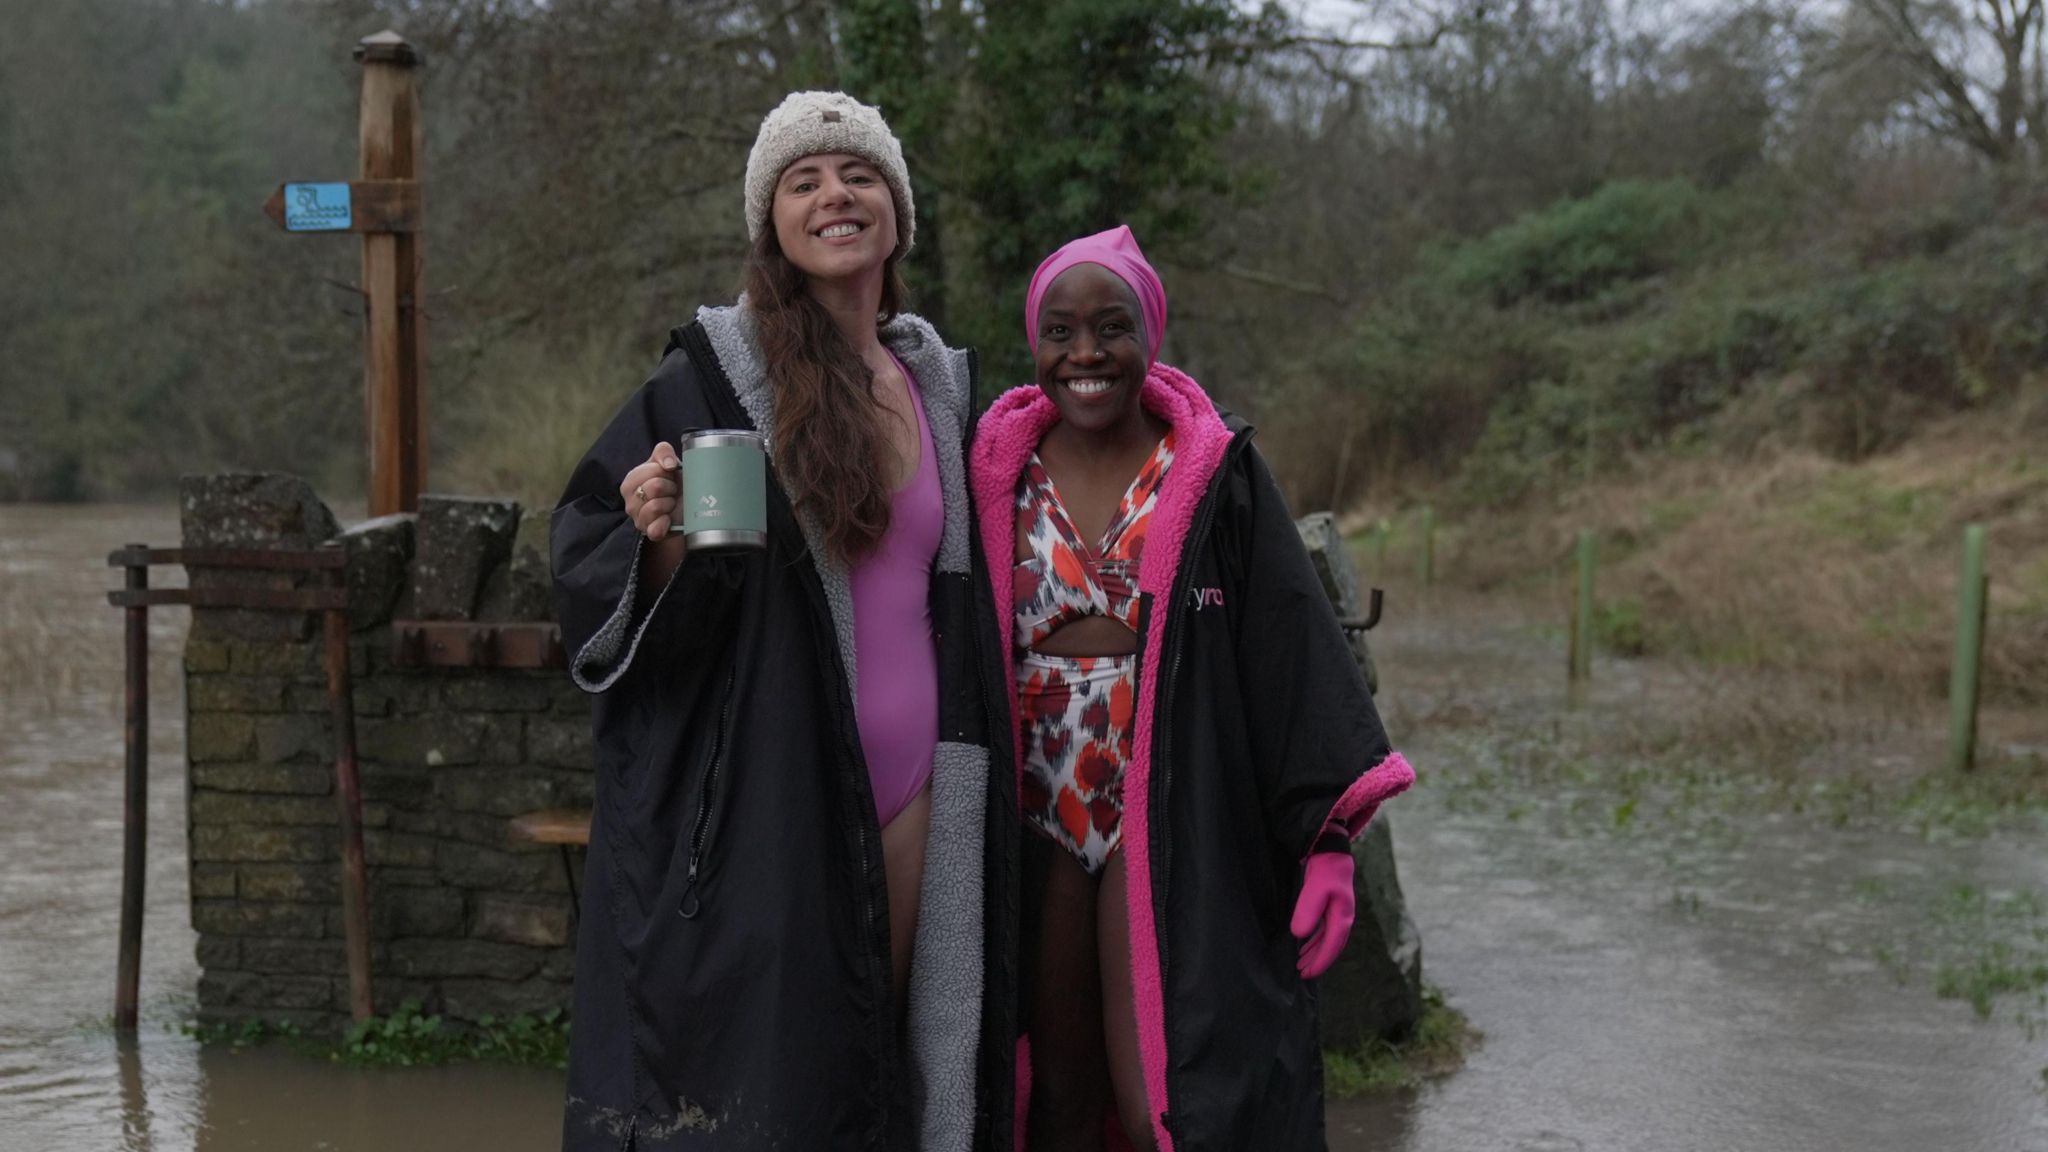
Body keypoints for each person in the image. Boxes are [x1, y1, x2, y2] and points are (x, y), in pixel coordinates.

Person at [551, 91, 1016, 1151]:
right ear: (771, 223)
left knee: (896, 1064)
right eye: (801, 181)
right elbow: (587, 556)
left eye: (856, 175)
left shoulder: (941, 389)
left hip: (923, 791)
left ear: (895, 211)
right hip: (779, 793)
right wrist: (654, 533)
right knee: (791, 1088)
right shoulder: (709, 383)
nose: (833, 195)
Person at [968, 226, 1414, 1151]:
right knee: (1053, 1096)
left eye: (1110, 327)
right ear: (1033, 344)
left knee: (1162, 1097)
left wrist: (1328, 838)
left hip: (1167, 807)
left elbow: (1287, 649)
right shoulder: (992, 473)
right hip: (1036, 810)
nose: (1084, 353)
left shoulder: (1214, 474)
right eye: (1059, 332)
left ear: (1152, 336)